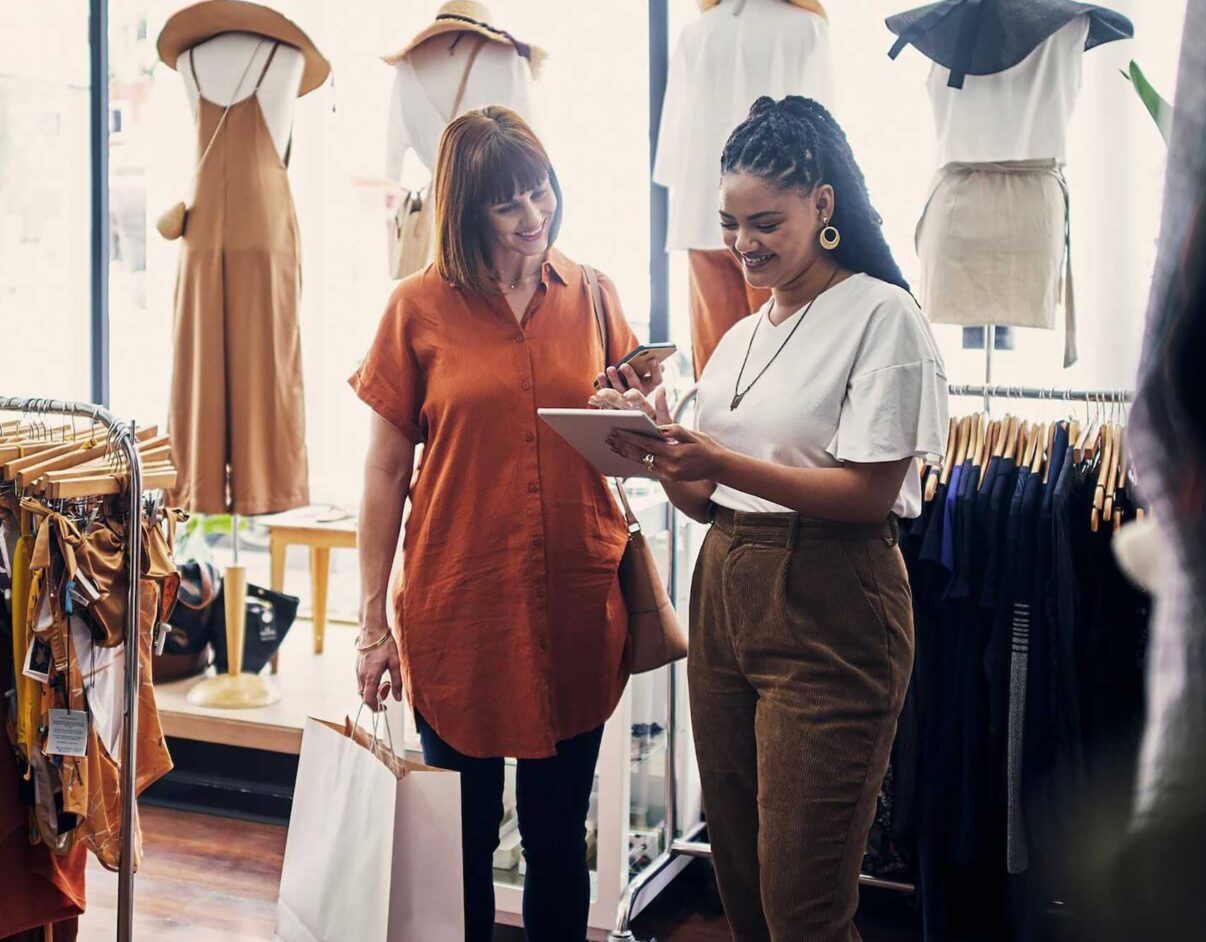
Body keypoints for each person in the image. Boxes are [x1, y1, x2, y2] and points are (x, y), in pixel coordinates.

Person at [599, 96, 948, 941]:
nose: (744, 245)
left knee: (805, 907)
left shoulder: (880, 315)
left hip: (832, 601)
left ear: (822, 205)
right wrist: (655, 441)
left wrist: (715, 459)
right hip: (726, 591)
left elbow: (869, 494)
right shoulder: (742, 337)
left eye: (765, 222)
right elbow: (706, 499)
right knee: (745, 889)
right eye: (729, 225)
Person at [349, 105, 656, 942]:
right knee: (464, 842)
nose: (534, 216)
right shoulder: (414, 309)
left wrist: (639, 415)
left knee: (559, 839)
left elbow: (635, 446)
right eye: (508, 204)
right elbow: (384, 473)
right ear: (464, 210)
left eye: (541, 191)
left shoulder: (593, 294)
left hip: (574, 602)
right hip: (460, 608)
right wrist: (371, 623)